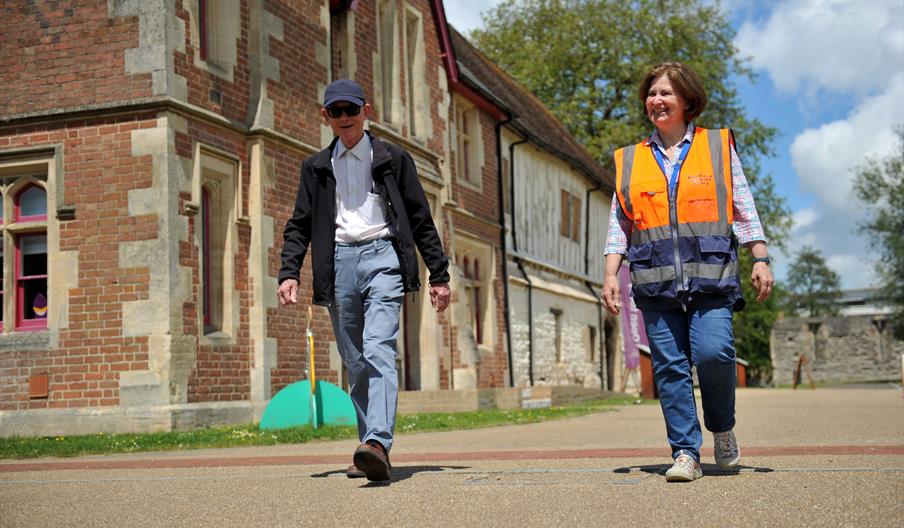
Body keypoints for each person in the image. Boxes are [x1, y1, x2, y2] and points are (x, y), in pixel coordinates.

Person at [601, 62, 773, 482]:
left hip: (711, 276)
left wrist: (761, 257)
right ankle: (685, 453)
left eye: (666, 93)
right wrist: (609, 276)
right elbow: (618, 225)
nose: (656, 100)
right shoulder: (630, 159)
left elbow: (743, 205)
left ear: (687, 101)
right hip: (653, 281)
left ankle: (722, 428)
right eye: (652, 93)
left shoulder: (716, 146)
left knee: (714, 354)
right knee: (670, 368)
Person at [277, 79, 451, 482]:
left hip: (383, 257)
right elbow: (298, 225)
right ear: (325, 117)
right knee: (356, 364)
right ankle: (369, 452)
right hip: (337, 265)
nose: (344, 118)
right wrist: (289, 272)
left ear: (365, 111)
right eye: (335, 112)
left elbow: (421, 218)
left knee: (378, 348)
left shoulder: (392, 158)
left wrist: (438, 274)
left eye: (351, 110)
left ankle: (376, 443)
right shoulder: (316, 167)